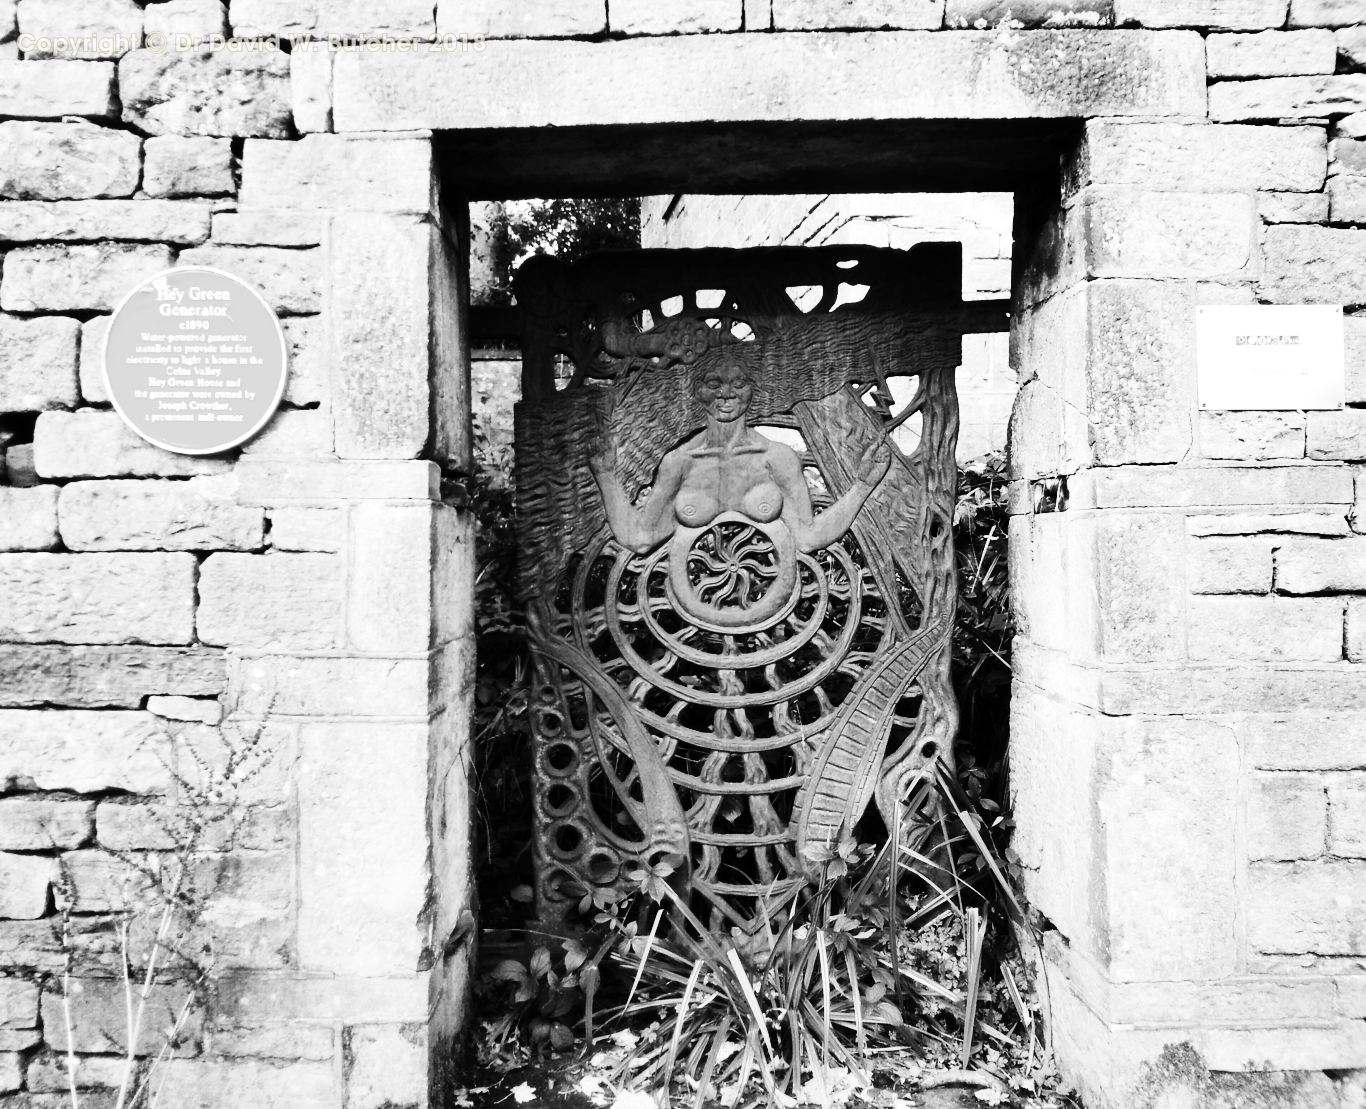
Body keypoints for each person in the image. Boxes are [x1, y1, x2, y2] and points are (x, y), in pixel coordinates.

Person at [588, 357, 891, 614]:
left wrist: (864, 486)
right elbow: (641, 538)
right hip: (690, 611)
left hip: (772, 615)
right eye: (714, 383)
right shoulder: (680, 462)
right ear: (697, 391)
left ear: (752, 390)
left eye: (738, 383)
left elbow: (809, 538)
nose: (727, 394)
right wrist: (604, 474)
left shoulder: (777, 458)